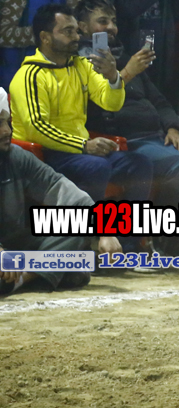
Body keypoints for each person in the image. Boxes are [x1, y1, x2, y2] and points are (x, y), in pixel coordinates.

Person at [79, 0, 179, 256]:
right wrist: (126, 72)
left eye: (113, 21)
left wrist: (173, 127)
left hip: (159, 137)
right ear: (83, 27)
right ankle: (164, 236)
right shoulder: (82, 63)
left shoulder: (126, 58)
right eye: (102, 21)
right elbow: (98, 106)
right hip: (127, 141)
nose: (111, 27)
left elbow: (159, 101)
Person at [8, 2, 152, 212]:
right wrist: (84, 146)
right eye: (68, 31)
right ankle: (85, 229)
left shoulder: (80, 65)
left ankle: (126, 232)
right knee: (97, 166)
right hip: (44, 154)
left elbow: (110, 103)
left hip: (79, 150)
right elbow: (36, 128)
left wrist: (113, 77)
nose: (76, 37)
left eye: (76, 31)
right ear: (45, 37)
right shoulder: (30, 75)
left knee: (140, 164)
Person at [0, 86, 122, 295]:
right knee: (75, 266)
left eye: (7, 122)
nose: (6, 131)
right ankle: (48, 270)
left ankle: (21, 278)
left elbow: (63, 190)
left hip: (14, 246)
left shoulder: (15, 156)